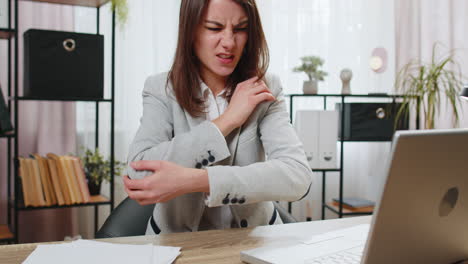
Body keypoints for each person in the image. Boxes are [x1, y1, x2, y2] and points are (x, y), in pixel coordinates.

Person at [124, 0, 312, 235]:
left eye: (241, 29)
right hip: (176, 244)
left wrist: (196, 180)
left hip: (255, 239)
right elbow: (139, 174)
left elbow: (298, 176)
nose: (229, 43)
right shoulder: (161, 88)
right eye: (214, 28)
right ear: (190, 30)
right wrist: (227, 120)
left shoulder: (266, 86)